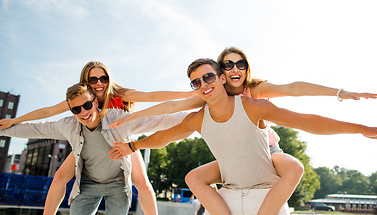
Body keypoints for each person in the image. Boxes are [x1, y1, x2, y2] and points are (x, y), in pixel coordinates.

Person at [108, 47, 377, 214]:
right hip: (229, 159)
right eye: (227, 64)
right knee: (194, 177)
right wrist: (132, 139)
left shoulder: (256, 96)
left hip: (266, 151)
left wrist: (346, 103)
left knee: (294, 167)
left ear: (240, 71)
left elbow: (298, 101)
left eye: (240, 64)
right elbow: (169, 118)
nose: (234, 69)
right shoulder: (201, 105)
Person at [0, 61, 194, 215]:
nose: (99, 83)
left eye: (103, 78)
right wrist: (15, 120)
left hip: (120, 138)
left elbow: (152, 97)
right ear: (86, 82)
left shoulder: (118, 93)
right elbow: (48, 112)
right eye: (93, 80)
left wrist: (188, 96)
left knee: (142, 182)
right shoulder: (80, 98)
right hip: (89, 143)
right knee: (59, 176)